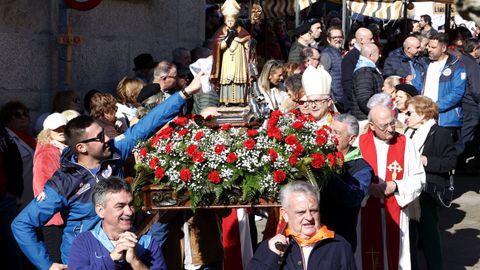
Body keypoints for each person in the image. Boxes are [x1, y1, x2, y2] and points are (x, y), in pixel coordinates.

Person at [11, 73, 202, 270]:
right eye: (98, 138)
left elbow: (145, 126)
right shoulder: (64, 182)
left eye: (103, 134)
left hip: (123, 251)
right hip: (85, 260)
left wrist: (184, 94)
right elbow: (21, 225)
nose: (106, 140)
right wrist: (47, 265)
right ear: (81, 148)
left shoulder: (114, 153)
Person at [357, 105, 425, 270]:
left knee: (396, 258)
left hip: (396, 212)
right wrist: (368, 188)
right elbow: (349, 175)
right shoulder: (358, 143)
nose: (390, 129)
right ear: (371, 126)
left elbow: (419, 178)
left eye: (392, 123)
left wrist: (395, 185)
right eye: (384, 125)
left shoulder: (405, 143)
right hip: (366, 210)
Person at [247, 181, 356, 269]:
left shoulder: (339, 246)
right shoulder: (270, 247)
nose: (309, 217)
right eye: (301, 212)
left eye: (313, 211)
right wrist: (273, 256)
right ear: (285, 214)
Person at [404, 96, 456, 270]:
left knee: (429, 236)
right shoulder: (408, 132)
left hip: (428, 192)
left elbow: (450, 162)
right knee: (409, 236)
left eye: (410, 113)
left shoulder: (440, 132)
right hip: (409, 191)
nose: (406, 116)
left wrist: (424, 160)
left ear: (422, 114)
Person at [68, 176, 166, 269]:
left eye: (131, 205)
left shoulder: (148, 243)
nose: (129, 212)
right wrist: (112, 259)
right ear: (100, 211)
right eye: (120, 206)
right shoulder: (84, 242)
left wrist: (135, 261)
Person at [321, 114, 373, 250]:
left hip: (339, 240)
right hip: (313, 233)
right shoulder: (319, 156)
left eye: (337, 133)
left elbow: (353, 197)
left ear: (351, 139)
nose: (331, 136)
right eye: (330, 131)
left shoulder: (362, 168)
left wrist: (328, 174)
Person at [413, 33, 466, 155]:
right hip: (422, 114)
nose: (428, 49)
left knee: (443, 152)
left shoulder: (456, 65)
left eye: (433, 47)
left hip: (445, 117)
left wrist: (435, 107)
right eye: (428, 46)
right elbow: (416, 87)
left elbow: (457, 92)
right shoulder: (423, 64)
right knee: (423, 151)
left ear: (443, 48)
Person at [33, 112, 69, 264]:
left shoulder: (62, 149)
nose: (61, 131)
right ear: (48, 132)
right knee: (56, 260)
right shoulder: (47, 152)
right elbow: (45, 185)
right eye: (57, 129)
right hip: (53, 215)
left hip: (63, 212)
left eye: (64, 127)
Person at [210, 0, 250, 106]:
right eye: (228, 21)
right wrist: (227, 39)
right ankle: (226, 100)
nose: (230, 23)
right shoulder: (220, 32)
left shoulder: (242, 30)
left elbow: (248, 42)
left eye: (232, 20)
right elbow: (218, 46)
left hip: (238, 59)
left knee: (238, 77)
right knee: (227, 79)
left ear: (236, 19)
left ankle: (241, 99)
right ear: (225, 20)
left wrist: (242, 41)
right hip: (227, 59)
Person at [0, 101, 36, 208]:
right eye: (17, 115)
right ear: (8, 118)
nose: (23, 117)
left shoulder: (29, 138)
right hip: (14, 196)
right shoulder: (6, 140)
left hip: (31, 192)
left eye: (25, 114)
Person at [459, 38, 480, 169]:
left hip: (461, 105)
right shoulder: (473, 66)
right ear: (475, 50)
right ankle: (459, 165)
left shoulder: (460, 61)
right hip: (471, 107)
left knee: (463, 136)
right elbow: (477, 91)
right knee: (465, 138)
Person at [342, 27, 374, 112]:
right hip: (355, 108)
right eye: (370, 39)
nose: (373, 41)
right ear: (361, 40)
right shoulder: (350, 57)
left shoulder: (364, 55)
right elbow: (347, 83)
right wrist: (359, 102)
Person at [351, 43, 383, 121]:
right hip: (366, 118)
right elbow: (364, 100)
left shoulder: (368, 70)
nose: (380, 56)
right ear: (370, 55)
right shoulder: (364, 72)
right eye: (378, 53)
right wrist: (378, 114)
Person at [321, 26, 346, 112]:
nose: (338, 39)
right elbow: (324, 78)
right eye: (334, 37)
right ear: (328, 39)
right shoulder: (326, 54)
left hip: (343, 97)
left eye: (340, 37)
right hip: (335, 100)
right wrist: (333, 98)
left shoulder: (342, 52)